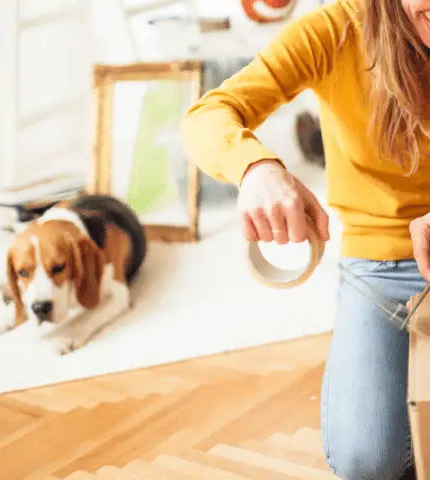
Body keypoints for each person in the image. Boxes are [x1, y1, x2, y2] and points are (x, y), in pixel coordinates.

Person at [179, 0, 430, 479]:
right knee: (368, 462)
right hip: (382, 270)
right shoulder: (335, 30)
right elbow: (209, 114)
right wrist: (255, 167)